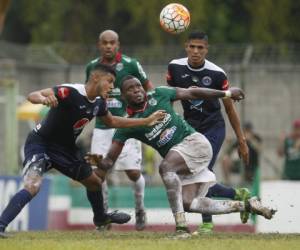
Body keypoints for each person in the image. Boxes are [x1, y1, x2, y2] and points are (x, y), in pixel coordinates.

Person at [85, 76, 275, 236]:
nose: (137, 90)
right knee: (188, 202)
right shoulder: (128, 125)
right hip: (181, 160)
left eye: (138, 86)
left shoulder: (160, 94)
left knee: (165, 168)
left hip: (195, 144)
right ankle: (246, 205)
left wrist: (225, 93)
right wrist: (89, 165)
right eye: (130, 88)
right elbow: (109, 159)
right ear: (124, 96)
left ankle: (181, 227)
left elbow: (193, 93)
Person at [0, 64, 165, 238]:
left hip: (67, 149)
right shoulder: (70, 92)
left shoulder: (100, 102)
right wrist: (43, 99)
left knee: (94, 182)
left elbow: (112, 121)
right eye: (109, 81)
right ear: (95, 78)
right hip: (41, 143)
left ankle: (101, 219)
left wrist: (145, 121)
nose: (112, 86)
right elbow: (32, 95)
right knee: (33, 185)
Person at [166, 31, 250, 233]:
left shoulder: (217, 74)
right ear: (186, 46)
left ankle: (207, 223)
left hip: (213, 128)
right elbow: (169, 97)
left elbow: (229, 108)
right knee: (192, 176)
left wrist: (241, 140)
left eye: (200, 48)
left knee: (202, 175)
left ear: (206, 49)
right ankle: (238, 194)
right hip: (190, 129)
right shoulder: (175, 67)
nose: (195, 51)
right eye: (192, 47)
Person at [85, 30, 153, 230]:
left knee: (133, 172)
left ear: (118, 44)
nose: (108, 46)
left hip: (126, 127)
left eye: (112, 42)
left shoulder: (131, 64)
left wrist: (145, 112)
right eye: (104, 43)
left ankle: (140, 208)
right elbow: (87, 92)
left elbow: (148, 87)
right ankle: (103, 217)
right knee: (95, 174)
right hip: (100, 129)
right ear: (99, 45)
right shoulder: (91, 66)